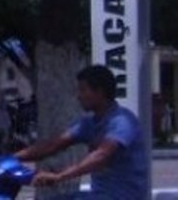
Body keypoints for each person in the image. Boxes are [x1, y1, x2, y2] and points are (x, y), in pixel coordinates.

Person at [14, 65, 148, 199]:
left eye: (83, 90)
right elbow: (53, 145)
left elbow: (101, 155)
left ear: (99, 92)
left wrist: (59, 176)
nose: (79, 96)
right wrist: (11, 158)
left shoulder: (122, 121)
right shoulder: (89, 122)